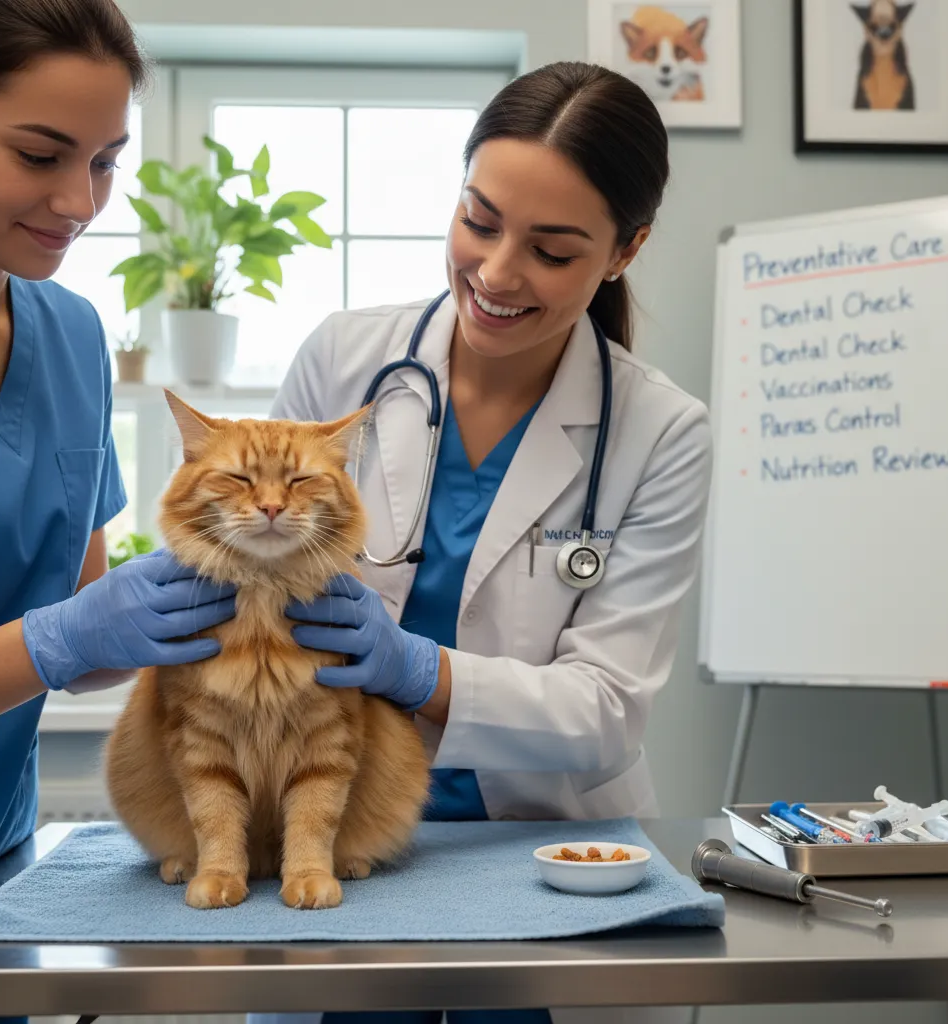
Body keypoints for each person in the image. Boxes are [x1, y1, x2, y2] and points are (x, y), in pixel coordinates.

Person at [250, 61, 712, 1024]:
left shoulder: (661, 433)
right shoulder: (345, 359)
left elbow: (606, 711)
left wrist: (418, 671)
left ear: (624, 251)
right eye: (480, 220)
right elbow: (261, 584)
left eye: (552, 250)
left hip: (538, 861)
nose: (498, 274)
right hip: (324, 838)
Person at [0, 5, 237, 1020]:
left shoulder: (74, 334)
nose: (77, 199)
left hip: (5, 852)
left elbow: (85, 638)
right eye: (42, 153)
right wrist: (60, 635)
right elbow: (60, 637)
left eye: (104, 161)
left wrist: (182, 606)